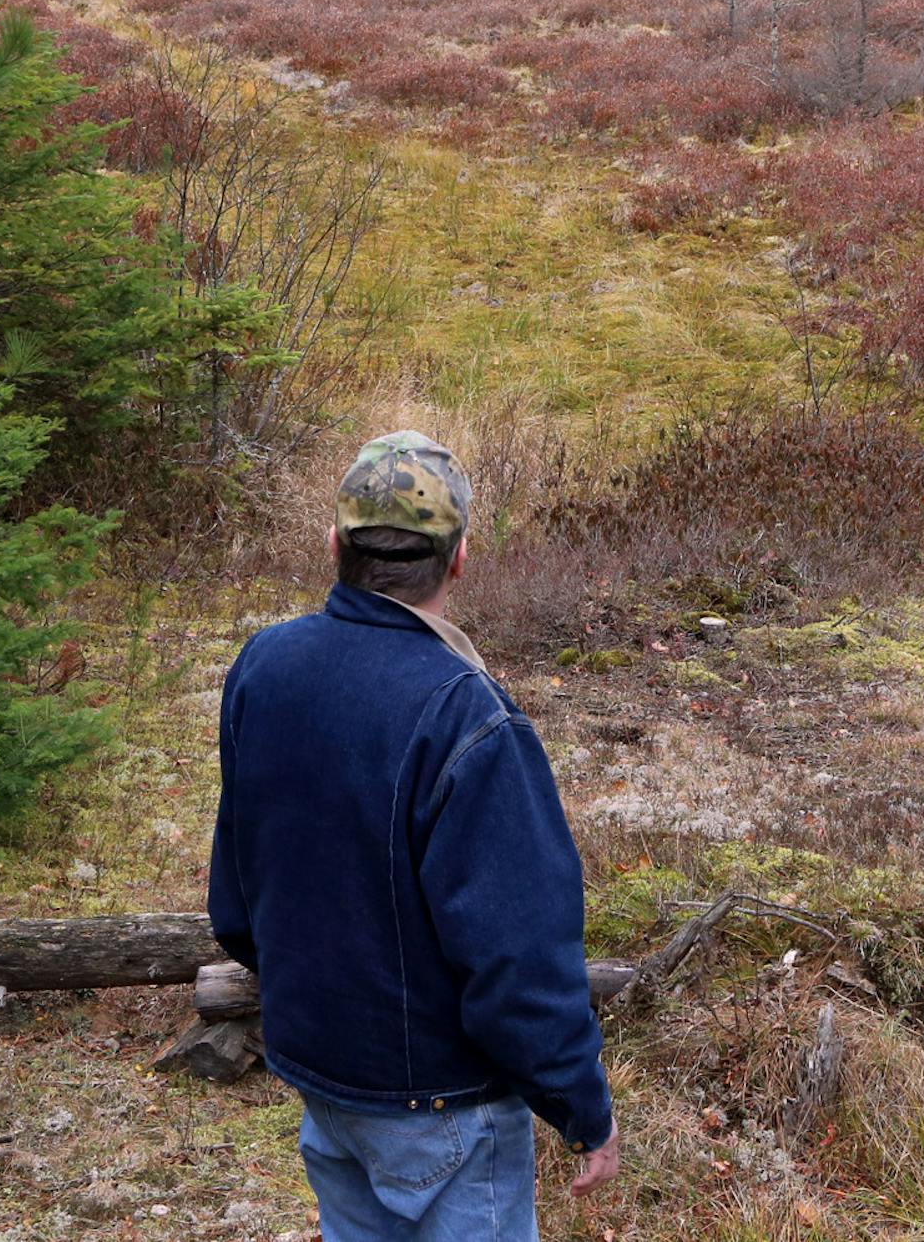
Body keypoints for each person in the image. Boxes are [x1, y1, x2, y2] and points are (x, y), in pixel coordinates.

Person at [207, 431, 619, 1240]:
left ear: (335, 544)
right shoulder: (470, 717)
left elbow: (239, 891)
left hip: (319, 1075)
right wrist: (581, 1106)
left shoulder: (264, 664)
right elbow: (519, 956)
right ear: (459, 558)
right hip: (442, 1105)